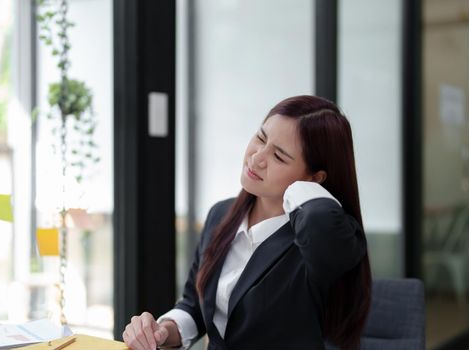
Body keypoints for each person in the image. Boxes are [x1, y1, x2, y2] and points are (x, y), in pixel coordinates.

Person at [123, 95, 372, 350]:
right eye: (261, 138)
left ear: (314, 178)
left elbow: (320, 222)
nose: (257, 158)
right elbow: (194, 307)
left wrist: (304, 191)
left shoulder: (321, 239)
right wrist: (163, 331)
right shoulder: (222, 214)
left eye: (279, 156)